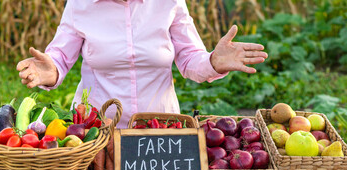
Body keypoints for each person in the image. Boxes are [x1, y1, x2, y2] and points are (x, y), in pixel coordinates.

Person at [16, 0, 268, 128]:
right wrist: (51, 71)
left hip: (160, 128)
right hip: (97, 130)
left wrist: (213, 61)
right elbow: (59, 56)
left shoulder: (169, 2)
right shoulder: (80, 4)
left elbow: (191, 59)